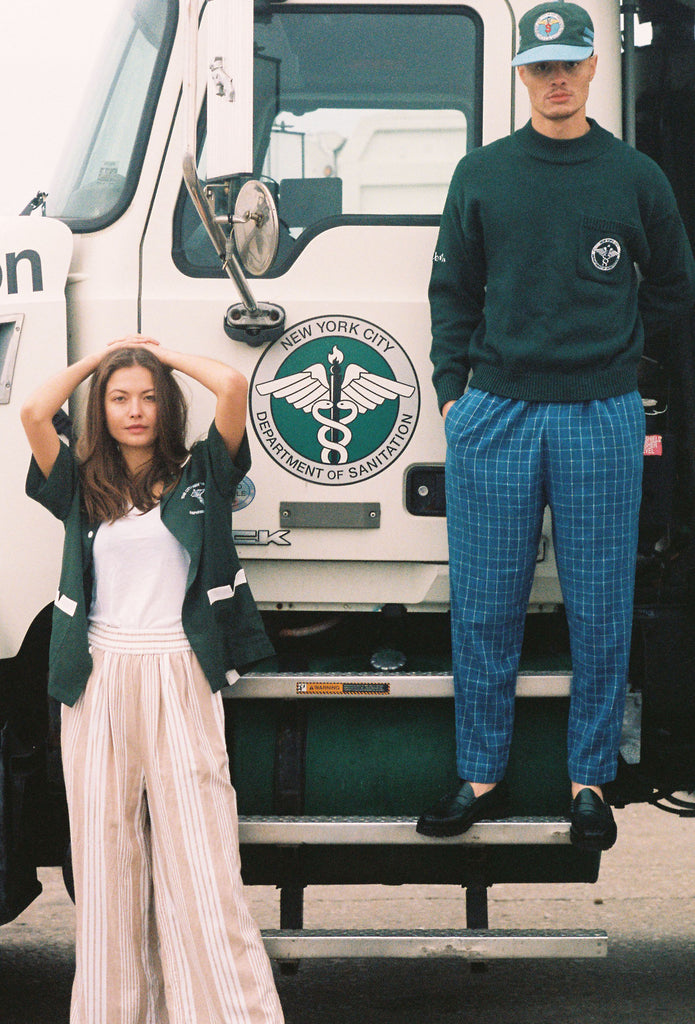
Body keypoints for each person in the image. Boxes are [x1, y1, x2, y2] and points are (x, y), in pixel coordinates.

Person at [417, 2, 695, 850]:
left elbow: (673, 285)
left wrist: (619, 360)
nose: (557, 78)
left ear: (592, 67)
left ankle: (588, 784)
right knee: (485, 607)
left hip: (599, 415)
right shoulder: (482, 174)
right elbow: (451, 293)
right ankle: (479, 776)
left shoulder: (633, 176)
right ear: (522, 75)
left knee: (599, 607)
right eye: (541, 67)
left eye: (570, 62)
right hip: (494, 413)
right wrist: (454, 395)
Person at [21, 337, 284, 1024]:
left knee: (202, 859)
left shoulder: (204, 473)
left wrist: (159, 354)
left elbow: (232, 386)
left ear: (166, 406)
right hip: (97, 678)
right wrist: (103, 357)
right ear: (101, 410)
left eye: (146, 398)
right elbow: (34, 411)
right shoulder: (79, 484)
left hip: (180, 672)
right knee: (105, 862)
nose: (133, 411)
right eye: (118, 399)